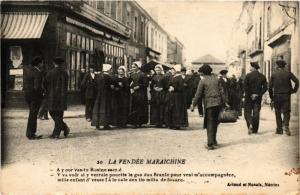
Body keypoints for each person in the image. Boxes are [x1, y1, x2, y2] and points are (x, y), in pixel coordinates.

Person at [191, 64, 227, 150]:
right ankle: (214, 140)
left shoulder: (203, 81)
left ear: (203, 72)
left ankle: (210, 144)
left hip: (210, 104)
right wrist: (225, 102)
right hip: (218, 103)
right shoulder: (216, 79)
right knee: (215, 122)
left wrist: (193, 105)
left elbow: (198, 95)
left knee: (210, 123)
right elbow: (222, 92)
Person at [268, 57, 299, 135]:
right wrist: (294, 90)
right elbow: (297, 81)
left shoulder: (274, 74)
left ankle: (279, 129)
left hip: (277, 96)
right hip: (286, 96)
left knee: (277, 112)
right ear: (284, 66)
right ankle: (286, 126)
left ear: (278, 66)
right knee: (286, 112)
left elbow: (270, 87)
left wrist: (271, 97)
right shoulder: (288, 73)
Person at [45, 57, 70, 139]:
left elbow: (45, 84)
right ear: (62, 63)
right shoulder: (65, 72)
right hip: (62, 97)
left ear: (54, 63)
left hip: (52, 96)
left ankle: (56, 133)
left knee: (52, 113)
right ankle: (64, 127)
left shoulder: (50, 73)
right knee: (59, 115)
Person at [23, 56, 44, 140]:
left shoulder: (28, 70)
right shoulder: (37, 72)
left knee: (32, 114)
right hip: (35, 96)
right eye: (42, 62)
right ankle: (31, 133)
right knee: (33, 115)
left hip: (28, 95)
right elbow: (37, 87)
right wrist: (42, 92)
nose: (43, 64)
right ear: (39, 64)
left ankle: (30, 133)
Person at [244, 61, 267, 135]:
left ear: (253, 67)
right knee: (256, 113)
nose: (250, 68)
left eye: (251, 66)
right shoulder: (262, 76)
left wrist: (250, 94)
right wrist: (258, 95)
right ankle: (255, 129)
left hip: (248, 97)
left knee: (247, 112)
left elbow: (245, 87)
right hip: (257, 98)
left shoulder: (248, 76)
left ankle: (250, 124)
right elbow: (265, 87)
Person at [165, 64, 188, 129]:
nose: (171, 71)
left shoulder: (180, 78)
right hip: (171, 95)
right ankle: (171, 124)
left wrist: (174, 89)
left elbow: (181, 88)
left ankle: (177, 124)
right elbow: (168, 84)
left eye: (173, 70)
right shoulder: (172, 77)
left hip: (178, 96)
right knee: (171, 109)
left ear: (176, 70)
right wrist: (169, 87)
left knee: (177, 110)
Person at [91, 64, 114, 130]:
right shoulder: (108, 77)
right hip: (106, 95)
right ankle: (105, 124)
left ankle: (97, 124)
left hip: (99, 94)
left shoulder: (99, 76)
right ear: (108, 70)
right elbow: (112, 85)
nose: (111, 71)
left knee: (98, 108)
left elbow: (95, 85)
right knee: (105, 108)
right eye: (110, 69)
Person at [128, 61, 149, 128]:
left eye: (134, 67)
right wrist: (131, 88)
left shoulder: (142, 74)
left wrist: (139, 86)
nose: (133, 68)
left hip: (141, 93)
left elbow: (146, 84)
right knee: (134, 107)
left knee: (140, 107)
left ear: (138, 67)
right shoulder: (131, 75)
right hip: (134, 93)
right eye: (132, 67)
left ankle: (139, 122)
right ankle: (134, 122)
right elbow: (130, 83)